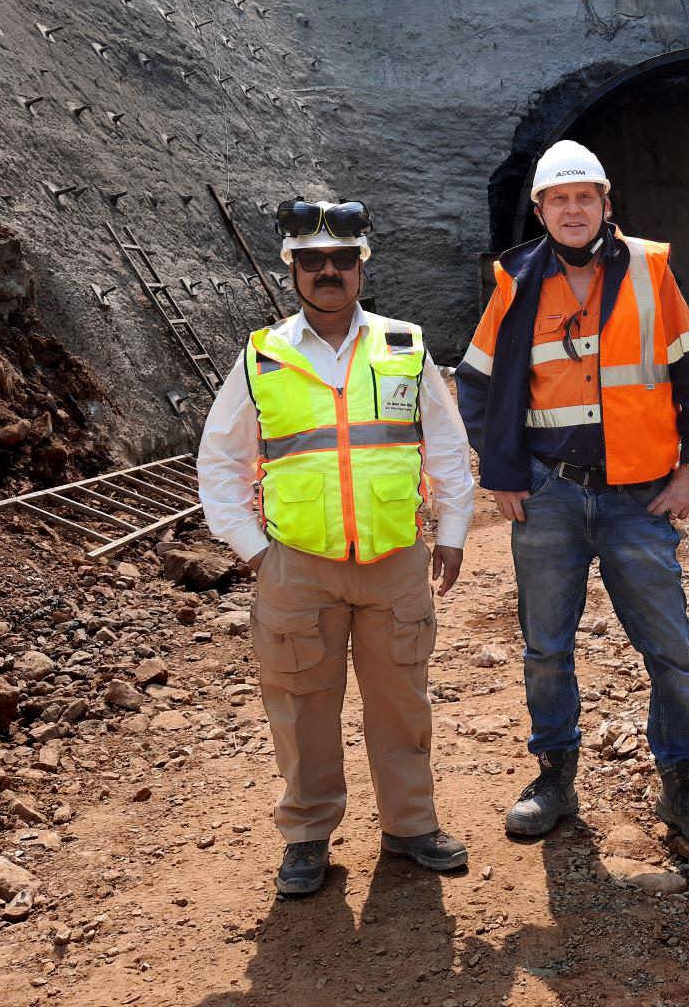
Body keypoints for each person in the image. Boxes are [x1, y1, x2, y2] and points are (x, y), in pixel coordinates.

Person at [455, 140, 689, 855]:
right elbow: (477, 383)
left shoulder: (648, 271)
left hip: (638, 498)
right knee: (546, 649)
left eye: (586, 197)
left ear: (607, 205)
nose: (573, 210)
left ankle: (682, 785)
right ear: (541, 210)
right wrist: (502, 471)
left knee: (669, 650)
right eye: (560, 199)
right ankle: (554, 779)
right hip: (550, 494)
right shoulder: (517, 281)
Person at [198, 198, 474, 897]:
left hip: (394, 562)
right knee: (301, 707)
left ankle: (410, 827)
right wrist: (255, 551)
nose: (328, 271)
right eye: (312, 260)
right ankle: (307, 836)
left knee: (402, 702)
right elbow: (220, 461)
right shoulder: (263, 356)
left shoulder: (404, 346)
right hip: (298, 566)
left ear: (361, 266)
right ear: (291, 268)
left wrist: (451, 532)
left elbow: (445, 444)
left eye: (342, 259)